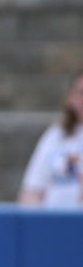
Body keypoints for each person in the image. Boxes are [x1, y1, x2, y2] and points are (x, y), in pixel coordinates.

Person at [18, 69, 83, 206]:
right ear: (70, 98)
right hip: (53, 216)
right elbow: (31, 191)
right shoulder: (55, 136)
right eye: (81, 93)